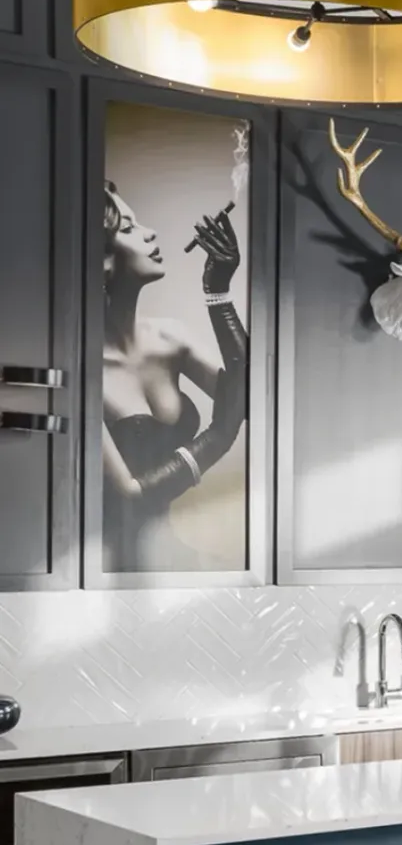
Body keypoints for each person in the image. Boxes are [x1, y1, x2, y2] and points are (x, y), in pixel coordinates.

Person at [100, 183, 248, 573]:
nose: (151, 233)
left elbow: (256, 397)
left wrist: (218, 292)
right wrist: (219, 436)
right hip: (104, 569)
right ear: (100, 261)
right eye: (129, 229)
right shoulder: (79, 368)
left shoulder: (171, 339)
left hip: (176, 559)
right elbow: (130, 495)